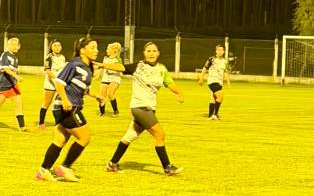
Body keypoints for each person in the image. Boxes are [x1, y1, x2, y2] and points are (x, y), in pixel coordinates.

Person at [106, 42, 184, 175]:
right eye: (148, 51)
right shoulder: (139, 66)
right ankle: (167, 167)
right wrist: (102, 65)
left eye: (154, 51)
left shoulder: (161, 69)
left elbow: (169, 83)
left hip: (149, 108)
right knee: (160, 135)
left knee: (129, 137)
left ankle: (112, 163)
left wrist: (178, 93)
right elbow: (120, 67)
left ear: (158, 53)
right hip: (140, 108)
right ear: (144, 53)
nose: (151, 53)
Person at [35, 36, 99, 181]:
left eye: (96, 47)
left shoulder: (87, 67)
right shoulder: (74, 64)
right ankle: (64, 168)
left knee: (60, 139)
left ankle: (43, 170)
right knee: (84, 137)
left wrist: (98, 96)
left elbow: (83, 88)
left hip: (69, 106)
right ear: (82, 50)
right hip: (67, 107)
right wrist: (65, 100)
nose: (97, 50)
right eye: (93, 47)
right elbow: (58, 82)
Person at [0, 36, 29, 131]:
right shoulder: (5, 55)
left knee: (19, 105)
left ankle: (22, 127)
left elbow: (13, 71)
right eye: (12, 45)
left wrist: (15, 78)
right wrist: (16, 76)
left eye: (16, 45)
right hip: (3, 85)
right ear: (8, 46)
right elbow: (5, 69)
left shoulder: (15, 58)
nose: (14, 46)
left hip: (13, 85)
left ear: (19, 46)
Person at [38, 39, 66, 128]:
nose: (57, 47)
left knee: (60, 103)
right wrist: (56, 79)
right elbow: (48, 71)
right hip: (50, 83)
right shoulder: (49, 57)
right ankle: (41, 124)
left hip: (60, 83)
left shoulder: (63, 57)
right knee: (47, 103)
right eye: (55, 45)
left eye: (59, 45)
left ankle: (59, 123)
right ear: (51, 47)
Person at [198, 44, 230, 119]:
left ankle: (210, 115)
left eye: (221, 50)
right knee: (220, 96)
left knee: (213, 98)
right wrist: (201, 79)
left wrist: (228, 81)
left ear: (224, 51)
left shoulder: (225, 61)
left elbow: (225, 72)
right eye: (218, 50)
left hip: (219, 82)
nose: (220, 51)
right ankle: (215, 114)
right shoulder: (211, 59)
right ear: (216, 51)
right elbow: (204, 69)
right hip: (212, 81)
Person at [97, 42, 124, 116]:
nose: (106, 50)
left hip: (115, 78)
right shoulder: (105, 58)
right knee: (101, 96)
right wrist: (97, 74)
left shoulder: (118, 59)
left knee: (110, 93)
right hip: (105, 78)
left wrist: (108, 66)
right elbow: (102, 68)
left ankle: (116, 111)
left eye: (108, 48)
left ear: (114, 50)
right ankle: (102, 112)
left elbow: (119, 68)